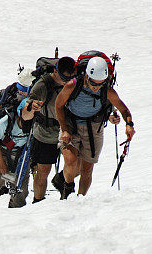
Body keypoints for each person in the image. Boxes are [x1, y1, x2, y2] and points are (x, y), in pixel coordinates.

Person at [55, 56, 134, 199]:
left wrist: (129, 125)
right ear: (86, 75)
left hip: (94, 127)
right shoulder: (72, 85)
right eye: (93, 83)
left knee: (87, 169)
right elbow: (58, 105)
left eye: (100, 84)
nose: (96, 87)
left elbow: (124, 110)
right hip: (71, 123)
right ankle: (67, 189)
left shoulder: (107, 90)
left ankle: (80, 199)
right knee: (71, 160)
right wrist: (64, 129)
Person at [25, 56, 76, 203]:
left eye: (70, 78)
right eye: (64, 78)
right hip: (44, 133)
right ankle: (37, 201)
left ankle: (62, 182)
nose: (67, 82)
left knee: (76, 165)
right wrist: (31, 108)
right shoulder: (43, 85)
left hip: (66, 130)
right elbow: (27, 110)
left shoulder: (74, 82)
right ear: (56, 72)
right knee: (43, 171)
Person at [0, 99, 32, 210]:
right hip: (1, 150)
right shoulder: (6, 121)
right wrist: (1, 162)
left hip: (22, 153)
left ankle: (15, 210)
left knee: (20, 184)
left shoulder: (34, 124)